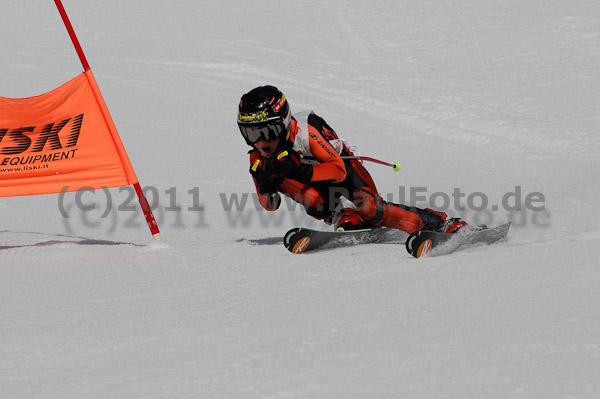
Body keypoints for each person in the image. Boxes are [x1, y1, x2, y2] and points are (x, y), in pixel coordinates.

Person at [237, 85, 468, 234]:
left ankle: (440, 223)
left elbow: (338, 171)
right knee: (289, 182)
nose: (260, 142)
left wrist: (302, 172)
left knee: (370, 208)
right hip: (317, 184)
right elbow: (270, 206)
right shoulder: (258, 157)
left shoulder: (306, 131)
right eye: (251, 134)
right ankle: (339, 214)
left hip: (344, 168)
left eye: (267, 132)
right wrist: (267, 186)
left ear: (285, 123)